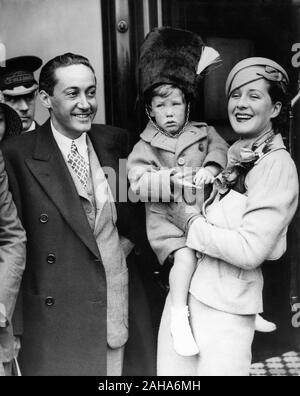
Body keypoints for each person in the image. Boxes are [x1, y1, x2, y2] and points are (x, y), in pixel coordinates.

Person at [1, 52, 155, 376]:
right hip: (55, 323)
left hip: (112, 311)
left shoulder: (115, 142)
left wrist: (115, 255)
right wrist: (13, 326)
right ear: (45, 98)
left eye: (90, 91)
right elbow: (9, 241)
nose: (85, 103)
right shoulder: (16, 155)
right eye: (72, 93)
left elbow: (132, 219)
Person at [159, 57, 299, 376]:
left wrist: (189, 222)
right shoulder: (234, 154)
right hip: (190, 297)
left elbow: (250, 250)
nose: (241, 104)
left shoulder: (276, 166)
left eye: (253, 95)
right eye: (235, 95)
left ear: (275, 109)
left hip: (228, 309)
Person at [128, 27, 228, 357]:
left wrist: (211, 168)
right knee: (185, 259)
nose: (169, 112)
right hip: (170, 228)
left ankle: (242, 306)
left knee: (224, 253)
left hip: (204, 217)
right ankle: (179, 317)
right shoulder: (145, 145)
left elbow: (221, 150)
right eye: (161, 105)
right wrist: (169, 179)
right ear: (149, 111)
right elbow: (136, 184)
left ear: (187, 104)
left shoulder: (204, 131)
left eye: (176, 103)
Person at [0, 55, 42, 132]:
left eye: (29, 97)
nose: (24, 107)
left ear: (36, 95)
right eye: (13, 99)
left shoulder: (52, 142)